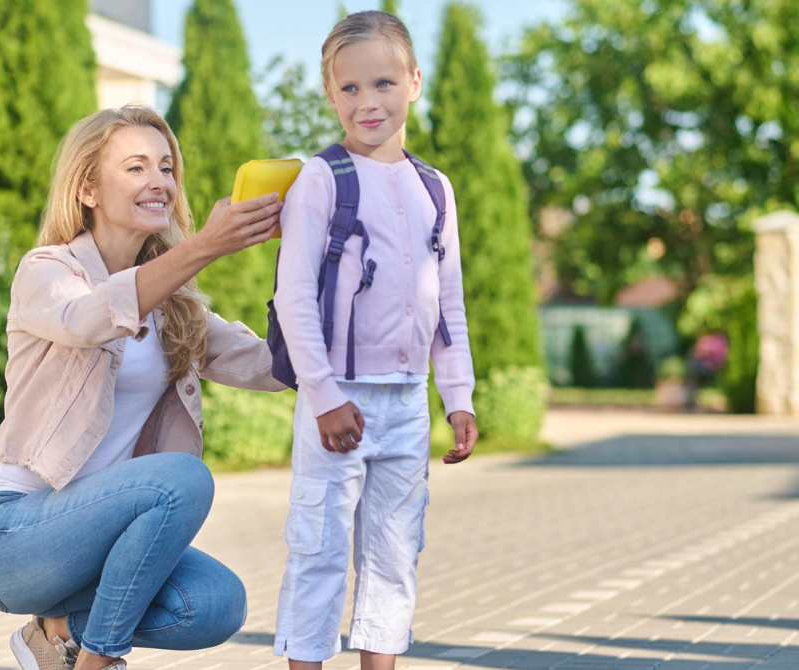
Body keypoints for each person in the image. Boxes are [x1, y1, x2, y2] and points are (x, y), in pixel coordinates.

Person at [0, 105, 287, 670]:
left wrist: (302, 264)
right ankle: (97, 661)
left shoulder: (175, 308)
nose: (159, 181)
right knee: (181, 479)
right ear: (87, 188)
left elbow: (273, 368)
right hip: (11, 535)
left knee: (215, 604)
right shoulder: (46, 271)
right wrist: (204, 246)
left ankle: (56, 631)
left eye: (165, 167)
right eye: (136, 168)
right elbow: (89, 319)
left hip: (100, 541)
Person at [271, 11, 480, 670]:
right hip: (338, 404)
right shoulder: (321, 180)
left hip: (408, 405)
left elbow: (448, 305)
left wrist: (459, 397)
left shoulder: (434, 188)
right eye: (351, 89)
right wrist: (325, 397)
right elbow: (294, 299)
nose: (369, 102)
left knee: (394, 557)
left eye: (384, 83)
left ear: (414, 83)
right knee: (321, 553)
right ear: (330, 96)